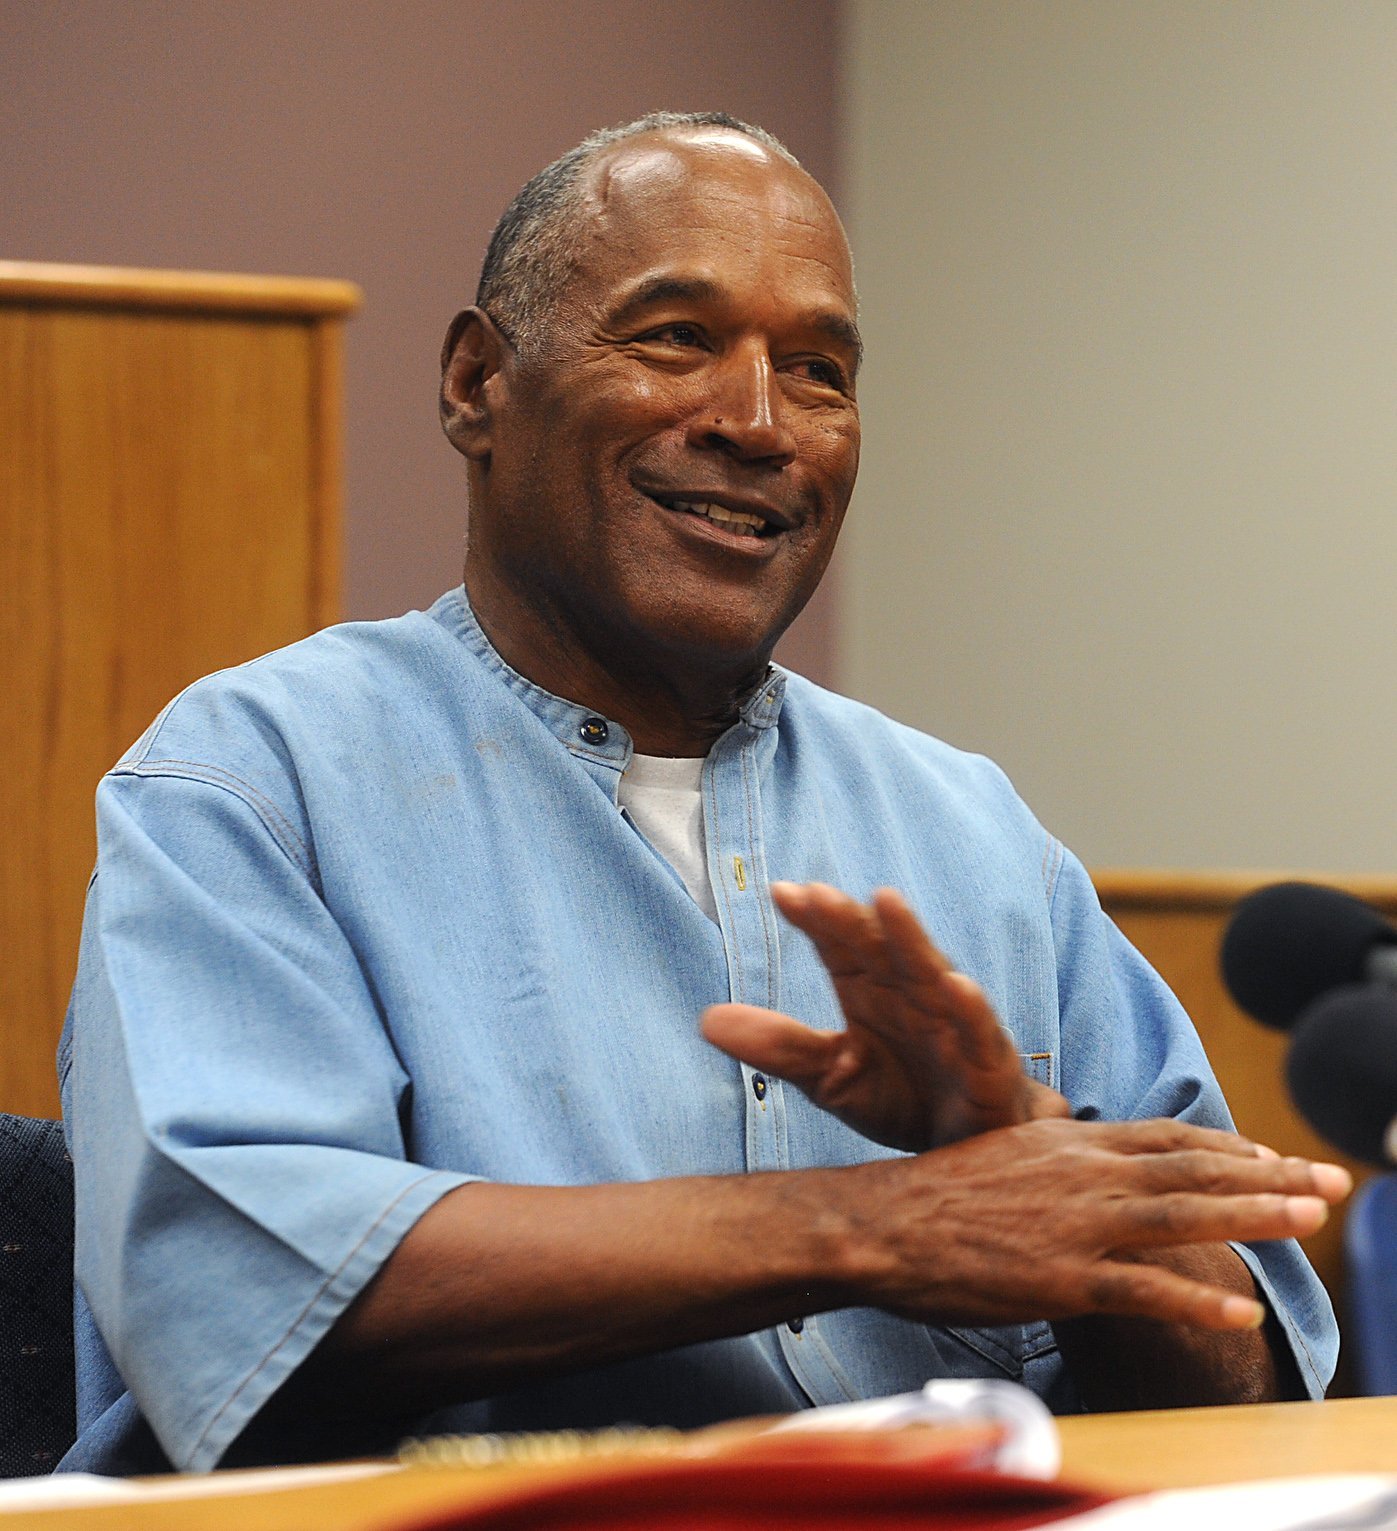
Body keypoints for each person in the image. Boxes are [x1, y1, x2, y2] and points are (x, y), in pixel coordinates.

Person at [59, 111, 1344, 1476]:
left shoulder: (977, 838)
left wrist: (1025, 1162)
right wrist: (880, 1225)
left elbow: (1247, 1390)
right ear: (475, 383)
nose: (755, 423)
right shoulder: (254, 778)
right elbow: (248, 1290)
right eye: (675, 337)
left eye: (818, 371)